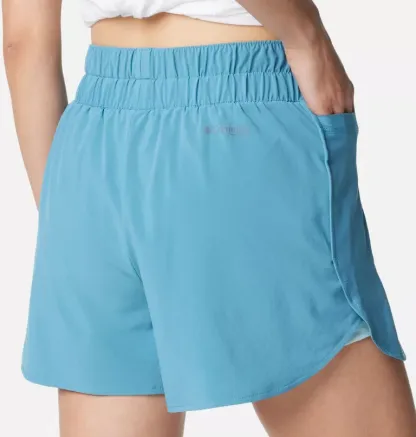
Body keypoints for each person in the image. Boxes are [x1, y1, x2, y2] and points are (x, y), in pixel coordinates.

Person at [3, 1, 416, 436]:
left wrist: (66, 222)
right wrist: (306, 35)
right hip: (234, 122)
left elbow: (23, 44)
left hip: (90, 152)